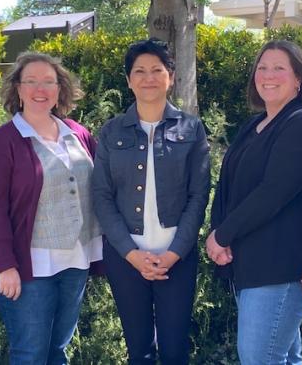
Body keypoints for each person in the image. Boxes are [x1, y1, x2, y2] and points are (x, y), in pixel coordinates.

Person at [0, 52, 101, 364]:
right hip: (28, 267)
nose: (40, 89)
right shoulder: (1, 143)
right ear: (17, 89)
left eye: (48, 81)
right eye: (30, 81)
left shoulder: (79, 133)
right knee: (29, 354)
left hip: (76, 260)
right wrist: (4, 265)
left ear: (60, 89)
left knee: (57, 350)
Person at [92, 38, 210, 365]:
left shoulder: (192, 129)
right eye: (139, 71)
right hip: (126, 258)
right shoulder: (111, 131)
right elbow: (101, 196)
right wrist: (132, 255)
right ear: (129, 80)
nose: (149, 78)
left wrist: (173, 254)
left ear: (170, 76)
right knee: (139, 350)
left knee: (175, 350)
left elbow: (199, 195)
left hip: (178, 258)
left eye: (157, 70)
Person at [206, 40, 302, 365]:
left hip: (278, 267)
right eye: (262, 67)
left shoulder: (301, 123)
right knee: (279, 358)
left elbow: (274, 191)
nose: (268, 75)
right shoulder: (254, 125)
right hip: (251, 262)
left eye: (279, 68)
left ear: (298, 79)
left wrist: (224, 234)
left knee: (260, 359)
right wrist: (217, 232)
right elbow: (228, 185)